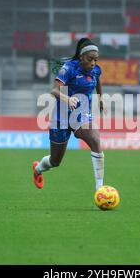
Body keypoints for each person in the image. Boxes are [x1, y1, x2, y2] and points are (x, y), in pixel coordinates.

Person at [32, 38, 107, 191]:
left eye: (95, 60)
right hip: (61, 118)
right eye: (89, 59)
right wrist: (67, 98)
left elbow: (98, 81)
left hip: (81, 115)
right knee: (55, 161)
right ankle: (38, 169)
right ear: (81, 57)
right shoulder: (68, 69)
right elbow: (53, 90)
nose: (93, 63)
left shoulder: (96, 70)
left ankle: (100, 189)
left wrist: (101, 99)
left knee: (95, 140)